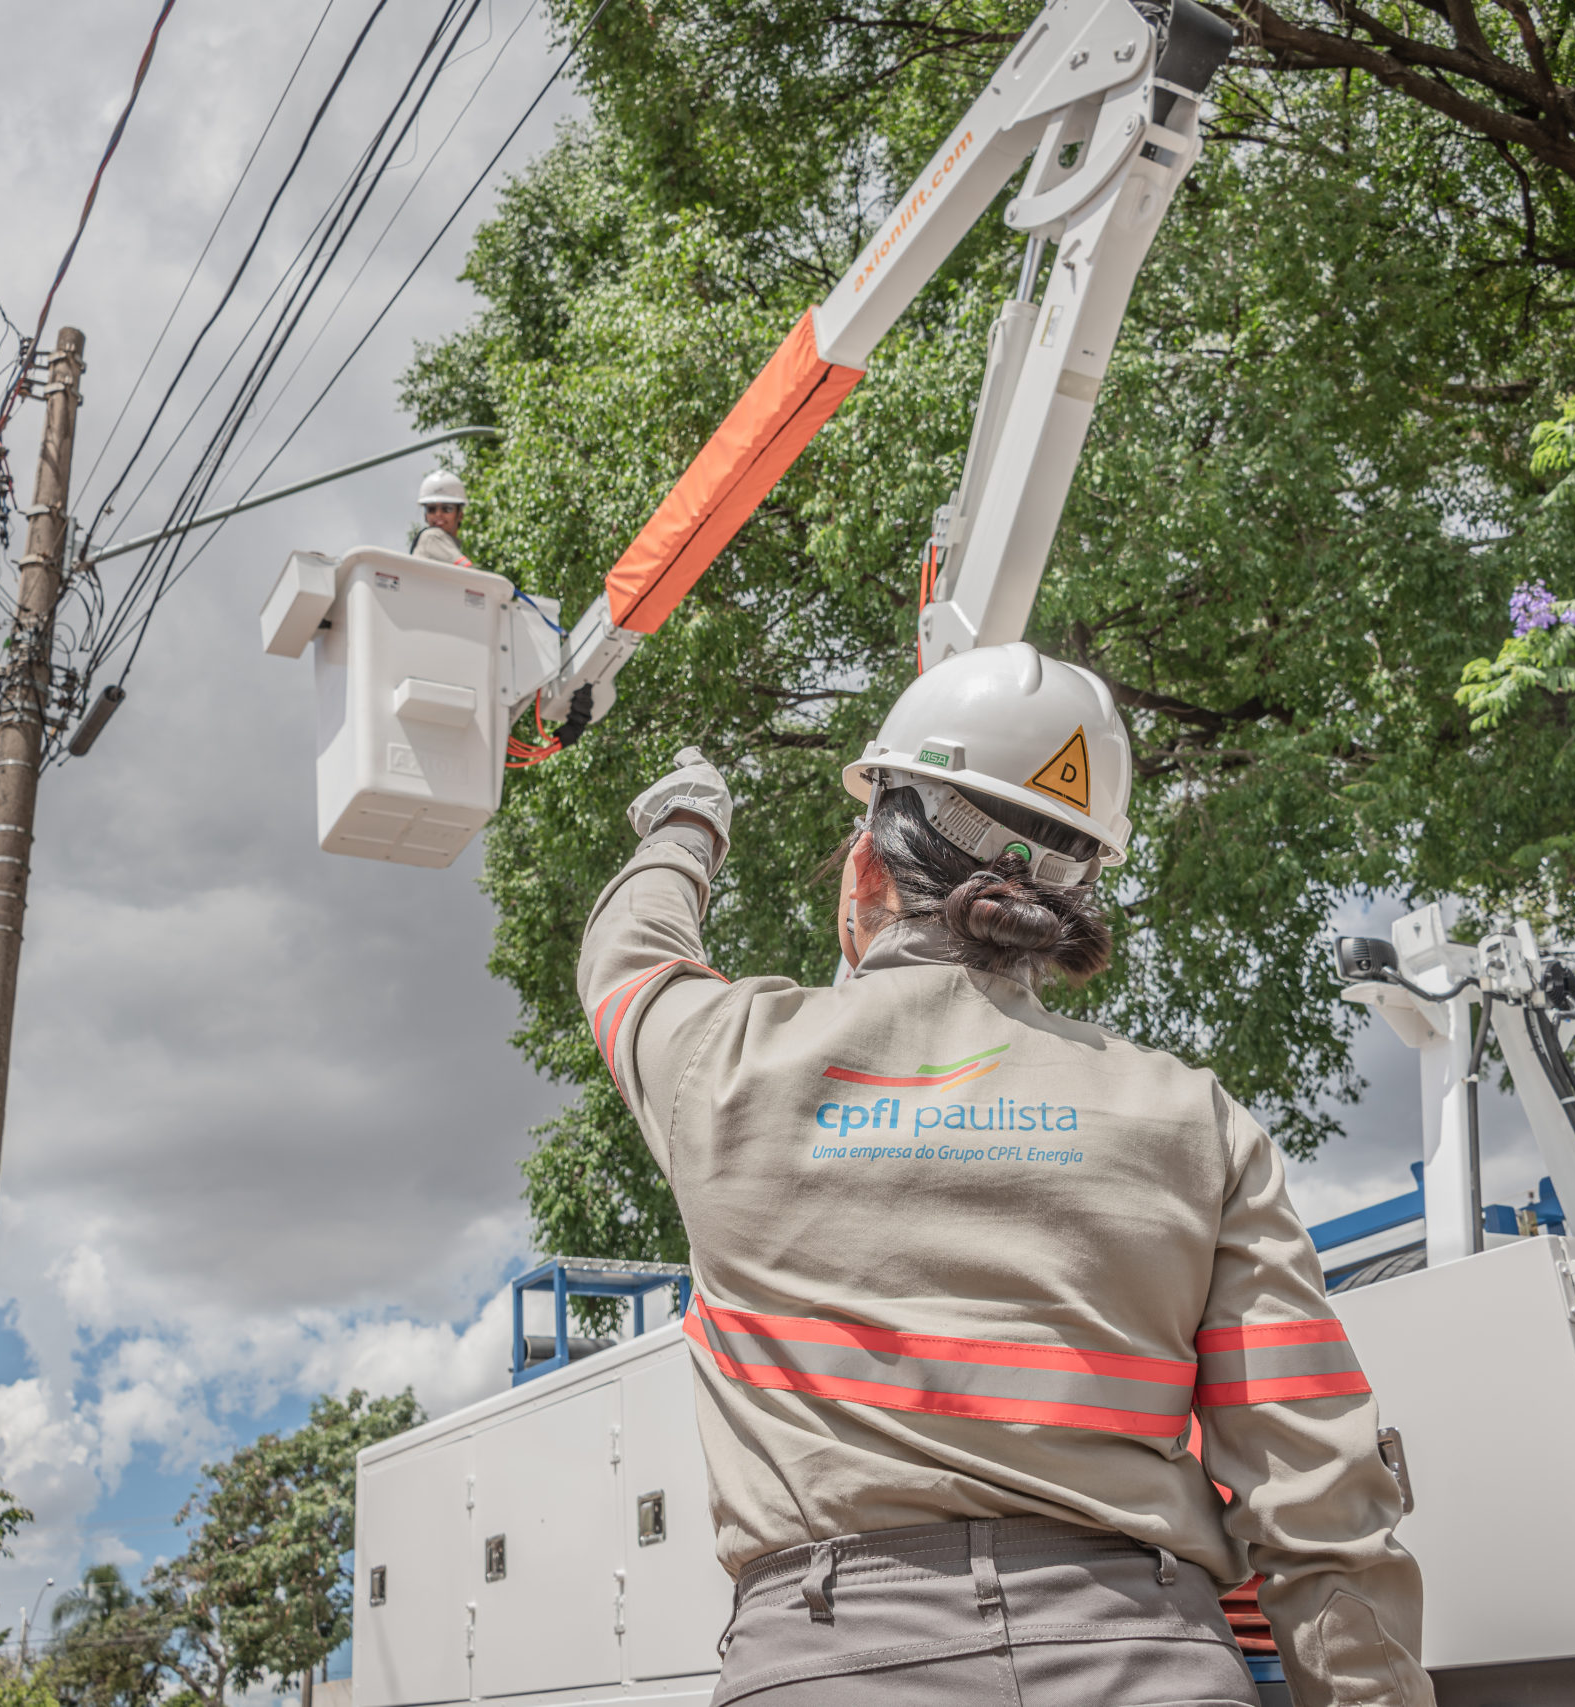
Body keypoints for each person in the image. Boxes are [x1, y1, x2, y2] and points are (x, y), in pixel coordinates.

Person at [578, 641, 1431, 1707]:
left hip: (830, 1659)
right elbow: (1316, 1485)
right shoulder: (1187, 1115)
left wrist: (688, 824)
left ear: (867, 872)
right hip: (1147, 1655)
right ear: (1063, 913)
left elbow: (629, 951)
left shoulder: (723, 1061)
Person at [410, 467, 471, 565]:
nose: (438, 514)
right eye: (432, 509)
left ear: (460, 515)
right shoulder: (432, 536)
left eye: (447, 509)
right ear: (426, 516)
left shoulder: (447, 545)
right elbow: (472, 575)